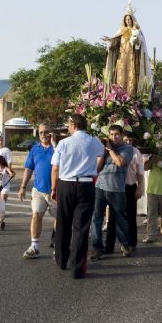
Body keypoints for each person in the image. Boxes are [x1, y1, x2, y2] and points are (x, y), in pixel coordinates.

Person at [51, 114, 105, 279]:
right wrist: (95, 170)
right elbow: (102, 154)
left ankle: (62, 260)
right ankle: (77, 268)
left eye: (68, 124)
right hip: (86, 184)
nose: (68, 127)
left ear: (73, 124)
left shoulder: (64, 143)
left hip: (66, 184)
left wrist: (54, 187)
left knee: (63, 223)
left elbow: (55, 168)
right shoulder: (93, 141)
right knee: (81, 227)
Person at [91, 125, 135, 260]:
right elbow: (97, 169)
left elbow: (120, 162)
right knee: (96, 219)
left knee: (120, 219)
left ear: (121, 135)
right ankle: (97, 248)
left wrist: (110, 150)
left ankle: (125, 244)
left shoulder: (128, 149)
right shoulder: (105, 149)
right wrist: (103, 152)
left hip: (117, 189)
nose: (113, 137)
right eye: (111, 134)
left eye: (116, 134)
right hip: (100, 187)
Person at [18, 123, 54, 259]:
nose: (44, 135)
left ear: (52, 132)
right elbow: (28, 168)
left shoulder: (58, 147)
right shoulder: (35, 149)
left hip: (55, 191)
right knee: (36, 215)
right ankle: (34, 246)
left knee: (58, 218)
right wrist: (23, 187)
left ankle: (58, 242)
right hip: (38, 189)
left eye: (46, 132)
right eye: (41, 132)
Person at [103, 1, 153, 98]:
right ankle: (119, 96)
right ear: (124, 20)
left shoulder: (137, 31)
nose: (128, 21)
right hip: (121, 59)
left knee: (131, 76)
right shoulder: (120, 31)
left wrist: (136, 40)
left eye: (129, 19)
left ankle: (131, 97)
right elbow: (115, 42)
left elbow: (141, 45)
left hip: (132, 58)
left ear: (132, 20)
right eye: (126, 19)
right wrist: (110, 41)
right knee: (120, 76)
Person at [105, 132, 144, 253]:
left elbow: (140, 173)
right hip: (115, 187)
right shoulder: (114, 150)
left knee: (131, 217)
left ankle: (132, 243)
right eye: (126, 140)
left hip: (129, 187)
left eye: (130, 140)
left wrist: (139, 188)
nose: (128, 142)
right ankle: (109, 246)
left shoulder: (135, 152)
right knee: (112, 217)